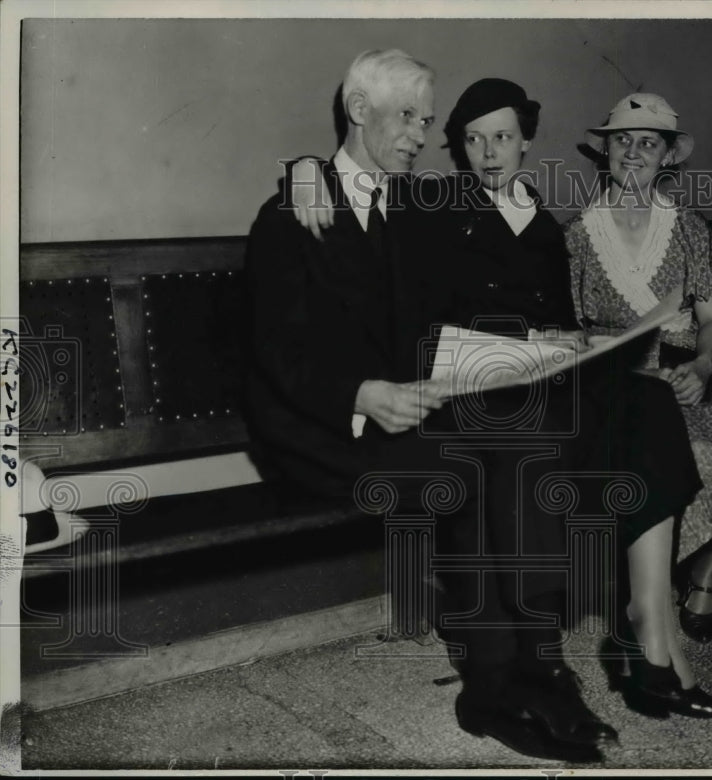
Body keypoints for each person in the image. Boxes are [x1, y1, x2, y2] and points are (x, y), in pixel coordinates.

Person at [291, 77, 712, 722]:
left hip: (542, 376)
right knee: (536, 435)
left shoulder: (548, 227)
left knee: (649, 402)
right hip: (466, 386)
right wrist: (303, 170)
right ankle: (534, 657)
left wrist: (573, 340)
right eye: (473, 140)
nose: (489, 152)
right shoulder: (431, 205)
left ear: (526, 143)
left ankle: (650, 626)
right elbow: (356, 201)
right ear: (459, 150)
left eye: (503, 137)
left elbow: (564, 314)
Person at [246, 50, 612, 764]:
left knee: (521, 436)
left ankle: (532, 666)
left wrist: (540, 341)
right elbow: (273, 352)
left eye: (426, 120)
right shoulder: (294, 207)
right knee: (468, 467)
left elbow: (477, 281)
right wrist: (359, 395)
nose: (421, 135)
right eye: (407, 118)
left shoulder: (415, 206)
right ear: (360, 112)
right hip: (323, 428)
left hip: (410, 412)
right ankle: (499, 683)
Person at [563, 92, 712, 644]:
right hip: (622, 377)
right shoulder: (577, 236)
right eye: (624, 140)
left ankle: (704, 576)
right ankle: (681, 576)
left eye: (649, 142)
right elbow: (570, 334)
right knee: (677, 454)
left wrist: (707, 366)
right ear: (607, 152)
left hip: (694, 370)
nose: (634, 151)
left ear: (667, 157)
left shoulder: (689, 228)